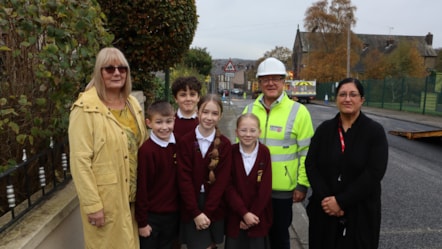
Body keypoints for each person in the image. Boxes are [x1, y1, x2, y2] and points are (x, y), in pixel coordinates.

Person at [68, 47, 148, 249]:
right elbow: (80, 162)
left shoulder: (132, 104)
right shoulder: (85, 109)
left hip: (134, 198)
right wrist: (92, 205)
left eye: (122, 68)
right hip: (107, 201)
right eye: (109, 69)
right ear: (99, 72)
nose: (117, 73)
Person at [305, 78, 389, 249]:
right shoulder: (325, 130)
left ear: (362, 100)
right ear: (336, 99)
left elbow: (374, 173)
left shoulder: (374, 132)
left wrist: (341, 201)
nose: (347, 99)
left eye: (353, 94)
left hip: (360, 213)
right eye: (342, 94)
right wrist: (327, 200)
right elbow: (311, 165)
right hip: (324, 210)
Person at [243, 57, 314, 249]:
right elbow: (239, 149)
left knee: (279, 237)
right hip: (253, 188)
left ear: (284, 81)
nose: (270, 83)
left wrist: (302, 184)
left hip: (282, 190)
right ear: (259, 83)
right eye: (266, 79)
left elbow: (307, 152)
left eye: (276, 78)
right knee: (254, 237)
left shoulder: (298, 112)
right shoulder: (249, 110)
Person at [177, 94, 232, 249]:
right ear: (197, 112)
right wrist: (196, 213)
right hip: (191, 205)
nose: (209, 117)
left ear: (220, 116)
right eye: (205, 112)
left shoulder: (225, 145)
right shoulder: (186, 141)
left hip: (214, 205)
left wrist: (207, 213)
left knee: (211, 245)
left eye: (214, 113)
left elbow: (221, 182)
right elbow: (184, 179)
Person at [135, 101, 179, 249]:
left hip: (173, 216)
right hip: (152, 218)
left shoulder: (178, 145)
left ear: (174, 120)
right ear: (149, 123)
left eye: (169, 122)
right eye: (159, 122)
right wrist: (142, 223)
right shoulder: (146, 151)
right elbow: (142, 188)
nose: (164, 127)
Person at [225, 113, 272, 249]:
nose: (248, 134)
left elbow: (265, 188)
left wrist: (252, 215)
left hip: (258, 218)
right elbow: (228, 187)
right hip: (236, 217)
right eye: (243, 130)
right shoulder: (231, 152)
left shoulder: (264, 152)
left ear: (259, 132)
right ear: (236, 132)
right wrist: (244, 213)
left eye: (252, 130)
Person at [171, 76, 202, 141]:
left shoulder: (204, 122)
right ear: (176, 98)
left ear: (198, 97)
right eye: (183, 95)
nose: (188, 99)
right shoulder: (170, 123)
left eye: (192, 94)